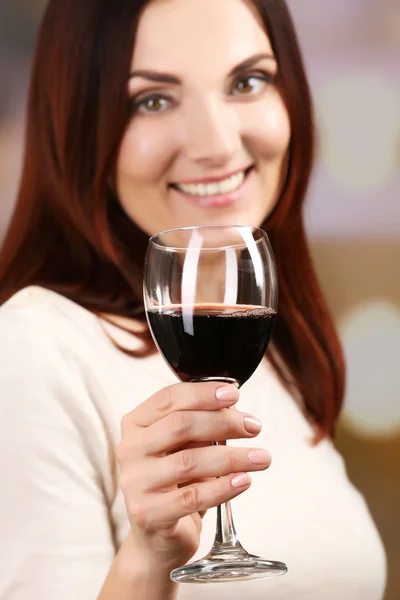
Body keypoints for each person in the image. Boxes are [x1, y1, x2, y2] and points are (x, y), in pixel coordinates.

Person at [0, 0, 387, 598]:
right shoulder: (31, 350)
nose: (216, 144)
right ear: (80, 127)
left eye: (248, 80)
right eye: (152, 99)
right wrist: (149, 556)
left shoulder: (267, 345)